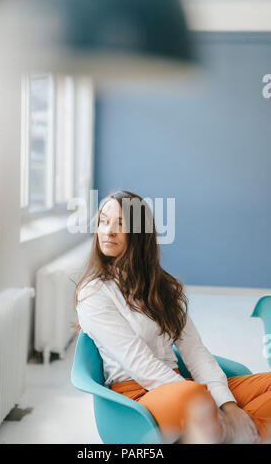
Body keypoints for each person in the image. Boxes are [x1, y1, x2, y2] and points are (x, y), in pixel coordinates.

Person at [74, 190, 271, 444]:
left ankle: (231, 432)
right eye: (103, 221)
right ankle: (236, 432)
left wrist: (230, 408)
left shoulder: (165, 288)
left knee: (203, 399)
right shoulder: (93, 293)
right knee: (194, 399)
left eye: (120, 224)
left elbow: (195, 352)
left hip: (179, 384)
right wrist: (208, 402)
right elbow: (139, 363)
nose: (108, 231)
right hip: (136, 397)